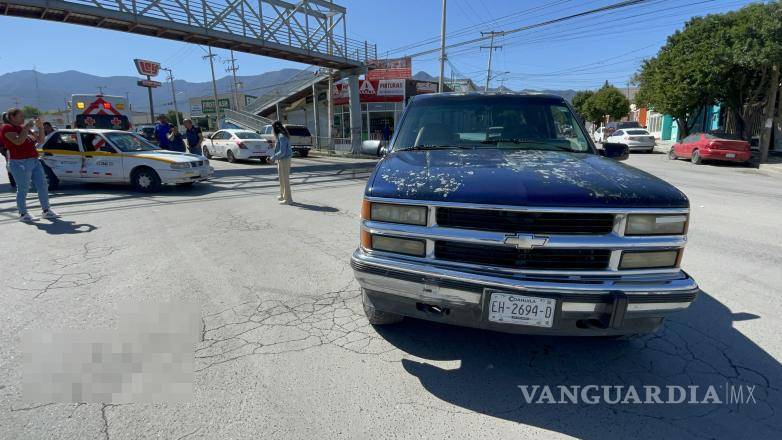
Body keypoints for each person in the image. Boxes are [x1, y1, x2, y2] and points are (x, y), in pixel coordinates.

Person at [1, 108, 59, 222]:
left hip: (34, 160)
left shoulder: (24, 128)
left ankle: (46, 210)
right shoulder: (7, 128)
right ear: (12, 117)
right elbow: (18, 141)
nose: (23, 118)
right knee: (23, 188)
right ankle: (23, 213)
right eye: (20, 116)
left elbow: (41, 140)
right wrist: (27, 127)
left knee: (42, 185)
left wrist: (40, 127)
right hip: (19, 162)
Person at [270, 121, 293, 205]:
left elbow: (282, 151)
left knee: (285, 179)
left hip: (285, 159)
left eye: (272, 129)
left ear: (275, 128)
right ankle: (283, 195)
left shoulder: (281, 136)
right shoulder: (281, 135)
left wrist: (273, 158)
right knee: (281, 179)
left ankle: (288, 199)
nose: (272, 131)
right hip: (281, 159)